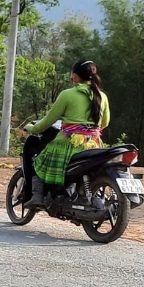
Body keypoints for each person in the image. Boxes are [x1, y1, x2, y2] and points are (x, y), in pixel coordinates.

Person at [26, 60, 110, 206]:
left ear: (75, 76)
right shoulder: (102, 96)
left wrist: (32, 129)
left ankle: (37, 198)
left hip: (68, 144)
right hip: (94, 145)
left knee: (38, 162)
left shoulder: (67, 94)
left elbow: (48, 121)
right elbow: (104, 123)